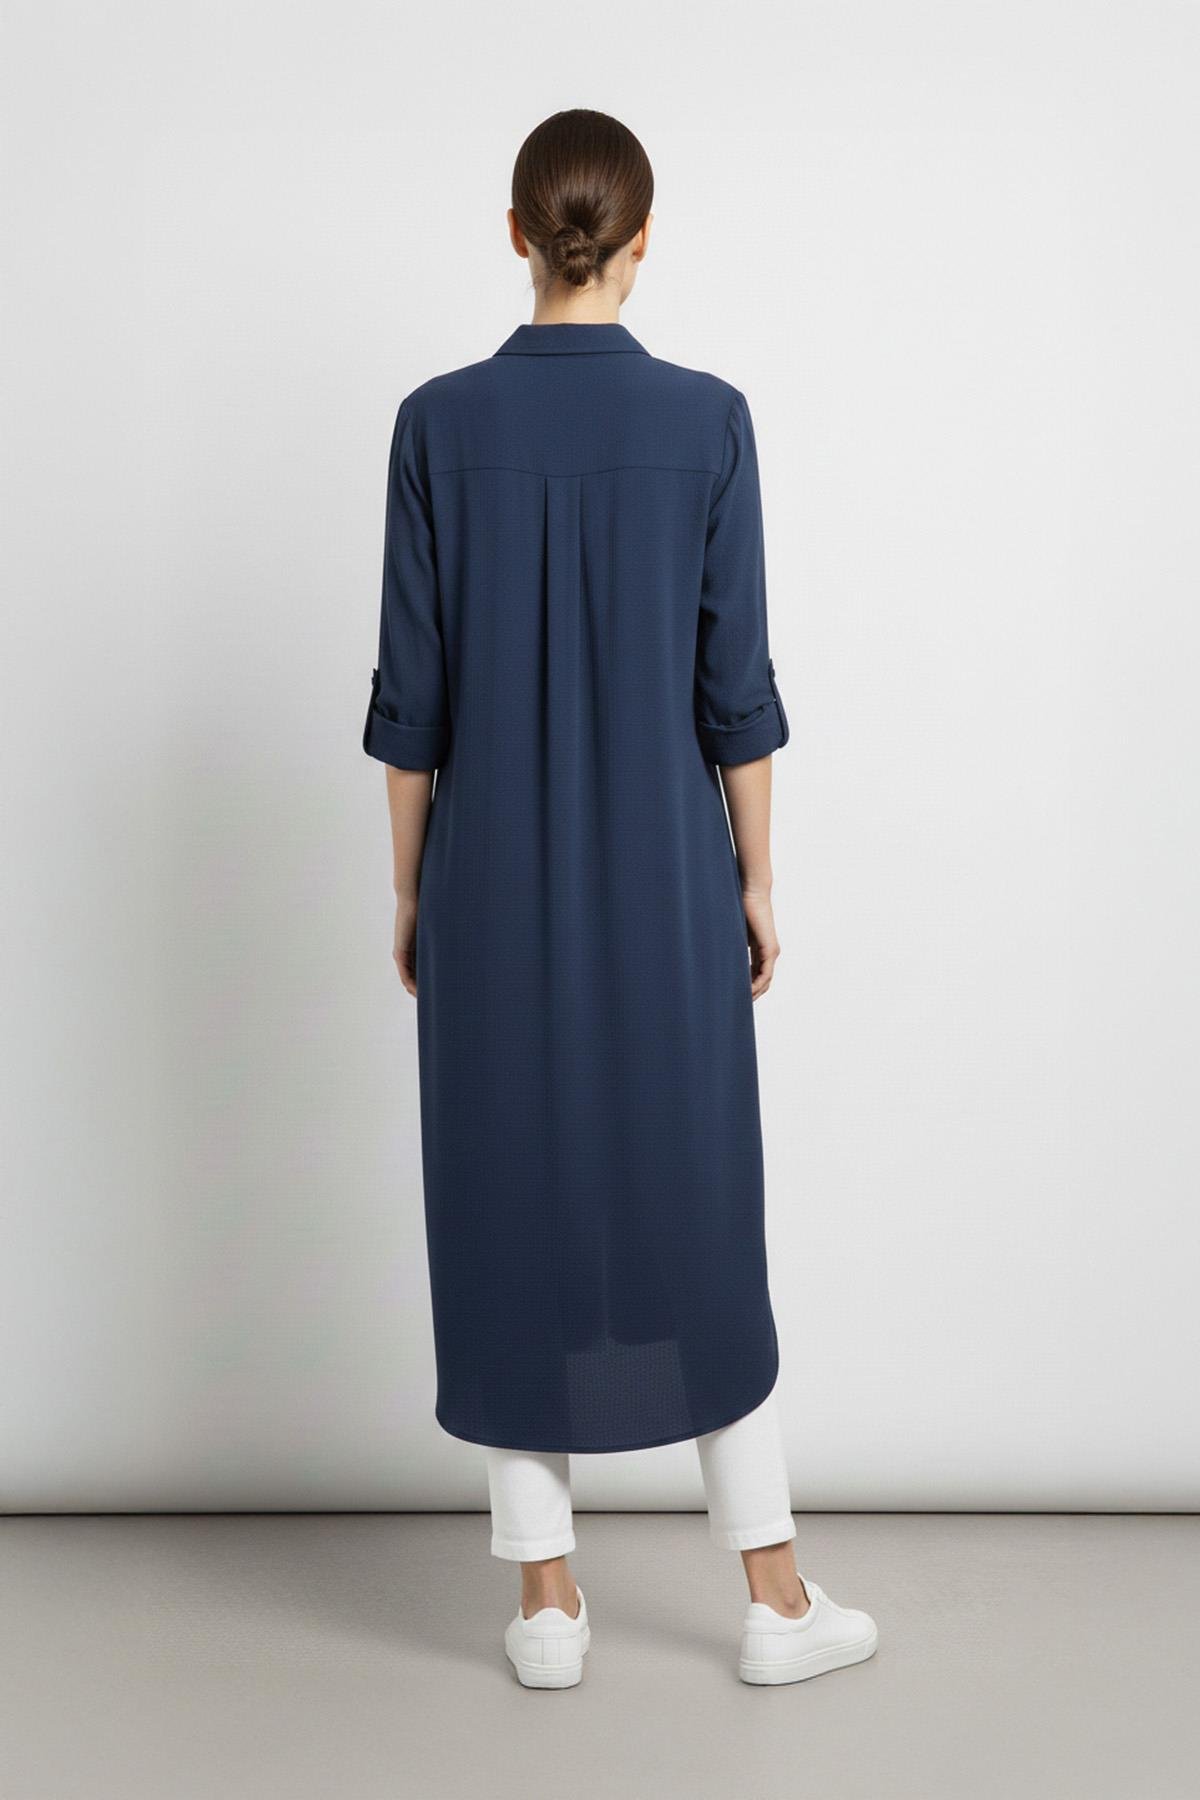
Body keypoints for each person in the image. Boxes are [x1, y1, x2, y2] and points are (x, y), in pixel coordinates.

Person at [363, 108, 877, 1689]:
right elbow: (739, 696)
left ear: (515, 234)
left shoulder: (435, 426)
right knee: (697, 1208)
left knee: (506, 1204)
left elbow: (412, 710)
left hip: (490, 890)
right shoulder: (709, 423)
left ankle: (546, 1607)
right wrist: (759, 883)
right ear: (643, 242)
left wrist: (412, 896)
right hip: (667, 883)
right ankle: (775, 1599)